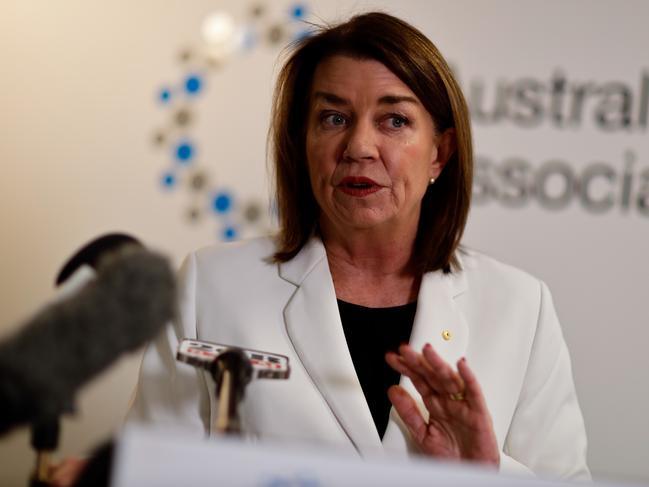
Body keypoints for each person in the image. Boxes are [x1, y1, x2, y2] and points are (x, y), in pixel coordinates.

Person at [127, 11, 590, 481]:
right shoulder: (212, 284)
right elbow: (151, 473)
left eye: (394, 120)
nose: (359, 146)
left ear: (440, 152)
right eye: (333, 118)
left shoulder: (519, 306)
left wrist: (484, 472)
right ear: (301, 141)